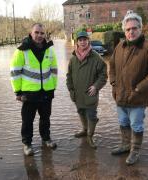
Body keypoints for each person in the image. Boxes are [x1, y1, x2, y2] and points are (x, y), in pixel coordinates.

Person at [109, 10, 148, 165]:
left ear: (141, 28)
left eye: (134, 28)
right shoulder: (120, 46)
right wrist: (113, 82)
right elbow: (111, 65)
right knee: (123, 122)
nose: (131, 31)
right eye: (128, 29)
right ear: (124, 31)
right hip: (119, 95)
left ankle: (135, 151)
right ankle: (125, 145)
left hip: (138, 97)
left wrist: (139, 88)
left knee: (136, 125)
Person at [10, 23, 58, 156]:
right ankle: (27, 144)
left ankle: (46, 139)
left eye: (42, 33)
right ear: (31, 33)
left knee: (45, 118)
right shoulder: (22, 50)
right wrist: (18, 92)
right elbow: (15, 72)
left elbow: (54, 70)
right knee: (27, 120)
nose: (39, 35)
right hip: (29, 93)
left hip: (46, 92)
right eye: (37, 32)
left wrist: (53, 87)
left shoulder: (49, 49)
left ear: (45, 35)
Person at [66, 31, 107, 149]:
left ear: (88, 41)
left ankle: (90, 136)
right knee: (81, 112)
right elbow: (69, 75)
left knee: (92, 116)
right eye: (80, 40)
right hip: (77, 94)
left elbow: (103, 75)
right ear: (77, 42)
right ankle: (84, 130)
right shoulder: (73, 58)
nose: (82, 42)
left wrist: (96, 86)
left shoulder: (96, 57)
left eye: (85, 39)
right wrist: (70, 89)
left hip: (90, 94)